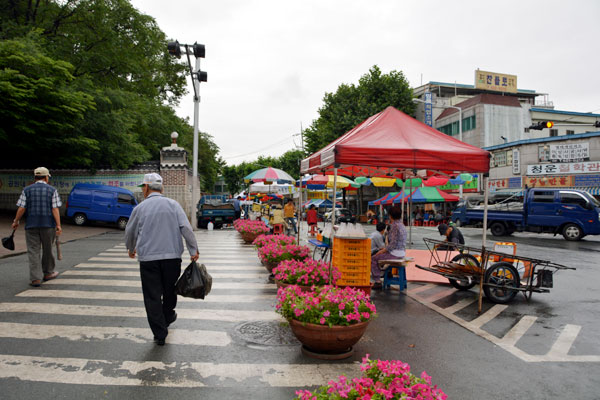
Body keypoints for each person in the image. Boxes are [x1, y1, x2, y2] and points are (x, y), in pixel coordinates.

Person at [125, 173, 199, 346]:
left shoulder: (140, 208)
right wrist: (193, 249)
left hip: (148, 259)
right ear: (162, 188)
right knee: (169, 291)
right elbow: (186, 228)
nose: (143, 190)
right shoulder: (174, 205)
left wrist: (130, 247)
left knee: (152, 296)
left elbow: (130, 231)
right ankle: (167, 316)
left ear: (147, 188)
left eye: (143, 187)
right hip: (172, 258)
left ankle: (160, 333)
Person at [11, 167, 62, 287]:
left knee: (33, 251)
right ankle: (48, 273)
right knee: (48, 249)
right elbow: (55, 209)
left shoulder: (27, 190)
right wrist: (58, 225)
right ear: (46, 177)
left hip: (31, 225)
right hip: (48, 225)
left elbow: (22, 207)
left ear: (35, 178)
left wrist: (16, 221)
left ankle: (35, 279)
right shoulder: (52, 190)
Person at [370, 206, 407, 289]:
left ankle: (377, 281)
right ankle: (386, 273)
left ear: (390, 216)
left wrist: (382, 251)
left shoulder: (394, 226)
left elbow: (392, 244)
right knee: (380, 256)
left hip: (395, 253)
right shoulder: (402, 225)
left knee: (374, 258)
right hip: (402, 252)